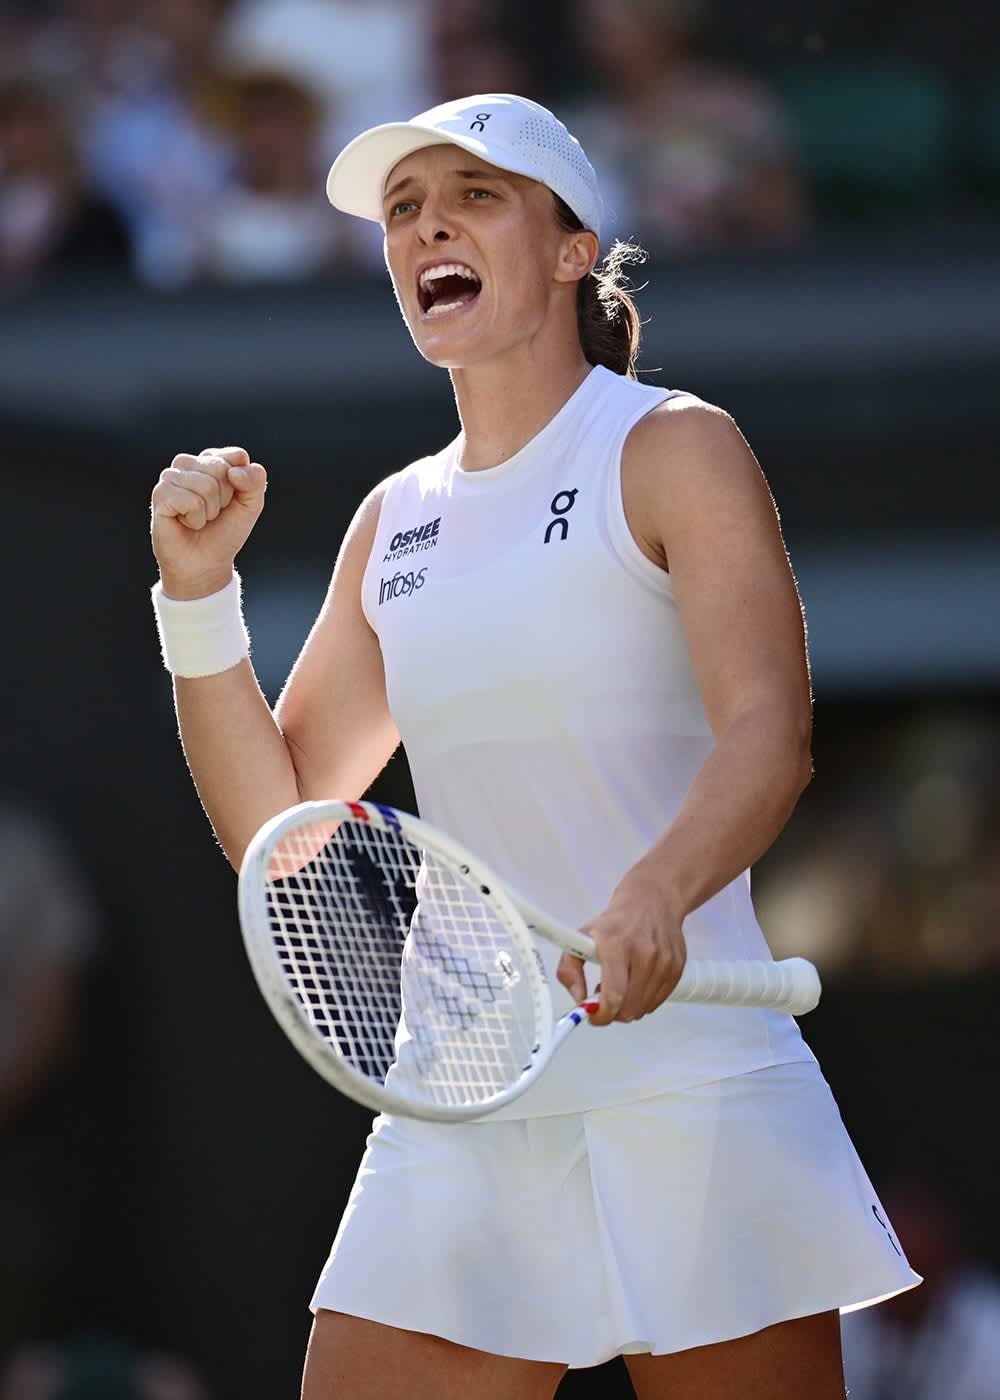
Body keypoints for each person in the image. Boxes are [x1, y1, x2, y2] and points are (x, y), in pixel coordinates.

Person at [148, 92, 919, 1399]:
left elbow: (768, 733)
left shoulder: (676, 447)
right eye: (404, 210)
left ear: (574, 251)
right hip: (462, 1092)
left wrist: (656, 897)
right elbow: (277, 829)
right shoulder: (393, 519)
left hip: (692, 1083)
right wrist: (197, 594)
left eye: (475, 195)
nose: (427, 226)